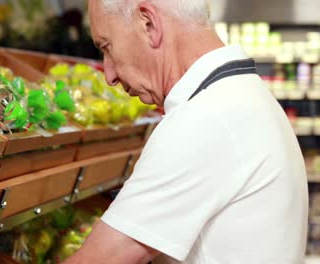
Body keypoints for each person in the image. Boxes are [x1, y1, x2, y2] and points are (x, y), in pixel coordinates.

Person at [64, 0, 308, 263]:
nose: (108, 74)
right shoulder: (244, 96)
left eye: (106, 47)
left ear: (149, 24)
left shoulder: (203, 120)